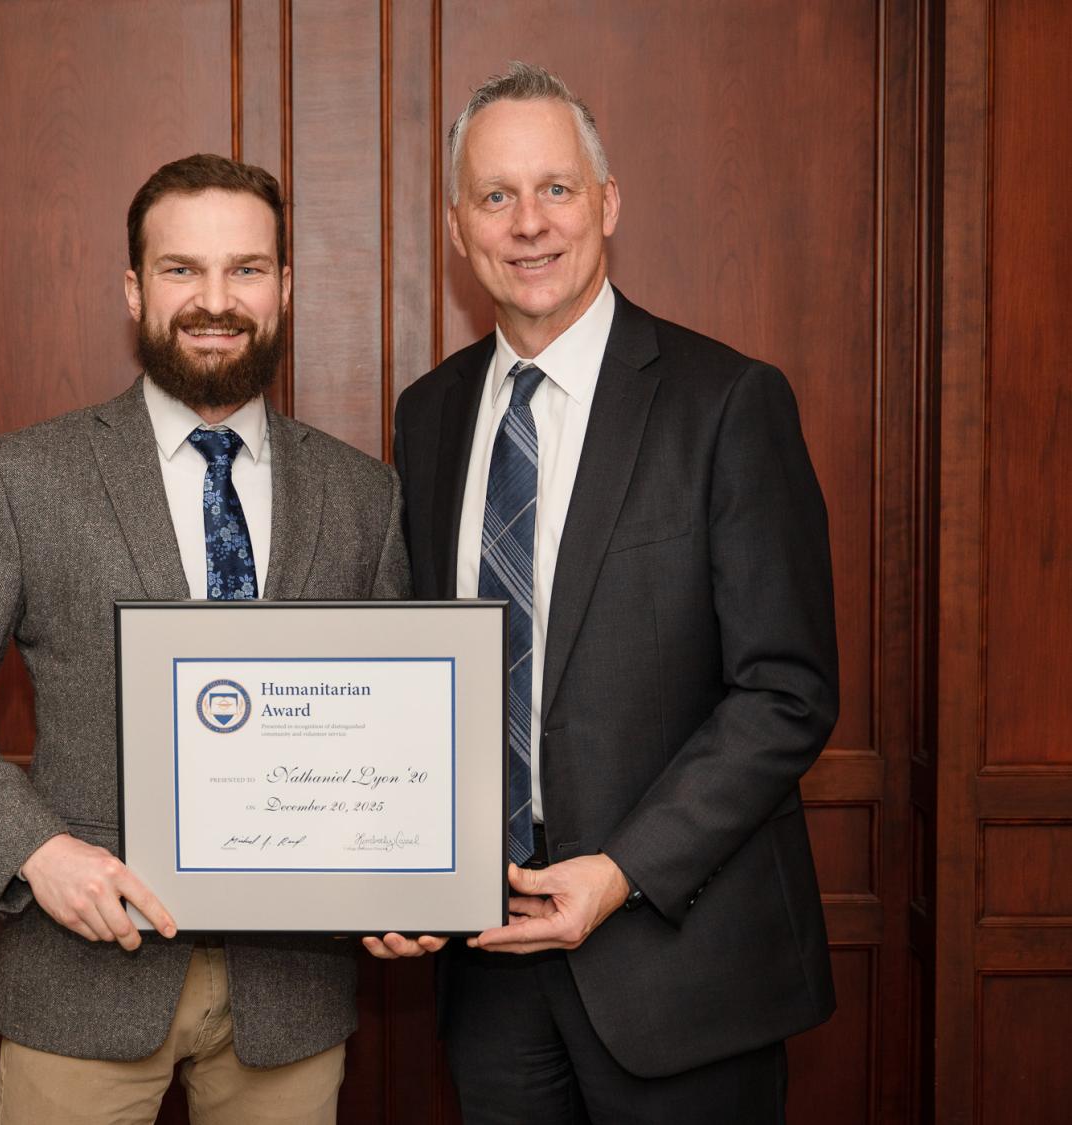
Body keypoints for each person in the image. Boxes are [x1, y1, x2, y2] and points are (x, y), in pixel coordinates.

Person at [0, 153, 409, 1124]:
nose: (216, 300)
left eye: (246, 269)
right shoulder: (28, 478)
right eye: (181, 270)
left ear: (284, 288)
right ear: (134, 289)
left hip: (288, 999)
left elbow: (394, 724)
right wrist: (36, 849)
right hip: (81, 978)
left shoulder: (362, 494)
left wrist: (408, 878)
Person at [373, 62, 838, 1123]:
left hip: (680, 970)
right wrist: (393, 866)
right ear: (457, 227)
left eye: (557, 189)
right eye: (496, 196)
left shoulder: (727, 402)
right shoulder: (432, 414)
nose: (528, 224)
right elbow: (417, 675)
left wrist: (621, 871)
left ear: (608, 203)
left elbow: (787, 691)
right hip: (486, 974)